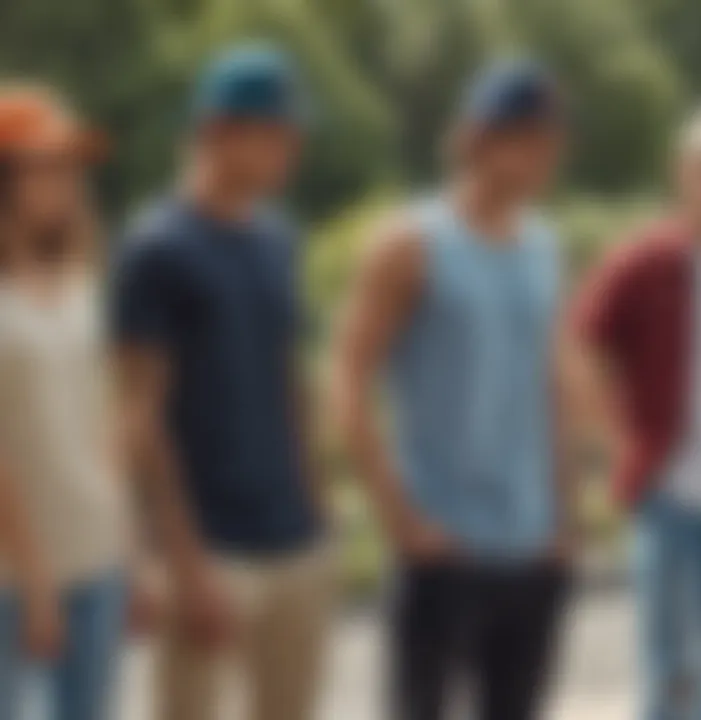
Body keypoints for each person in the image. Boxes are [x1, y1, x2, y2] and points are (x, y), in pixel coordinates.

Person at [332, 61, 571, 720]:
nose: (545, 154)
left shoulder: (545, 247)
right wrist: (399, 519)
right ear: (477, 138)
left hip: (530, 545)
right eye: (527, 137)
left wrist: (565, 520)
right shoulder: (409, 243)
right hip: (444, 546)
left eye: (551, 138)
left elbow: (549, 380)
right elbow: (348, 376)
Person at [111, 44, 333, 720]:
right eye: (274, 131)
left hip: (293, 540)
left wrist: (320, 513)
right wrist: (179, 562)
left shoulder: (278, 239)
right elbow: (138, 417)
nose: (290, 148)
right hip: (209, 549)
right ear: (216, 132)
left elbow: (289, 379)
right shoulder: (156, 249)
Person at [572, 106, 701, 720]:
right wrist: (616, 442)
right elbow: (578, 346)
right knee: (676, 673)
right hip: (673, 501)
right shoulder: (647, 263)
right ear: (682, 175)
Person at [0, 86, 131, 720]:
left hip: (96, 560)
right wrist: (35, 579)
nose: (67, 184)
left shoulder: (81, 281)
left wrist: (126, 543)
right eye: (47, 168)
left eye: (70, 168)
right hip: (14, 580)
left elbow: (99, 415)